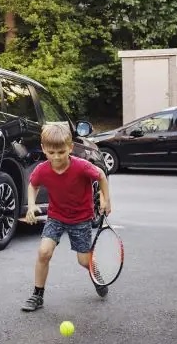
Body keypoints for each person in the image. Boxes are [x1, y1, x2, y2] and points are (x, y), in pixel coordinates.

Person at [20, 123, 112, 312]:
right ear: (44, 149)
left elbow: (101, 175)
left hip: (81, 218)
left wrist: (105, 199)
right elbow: (33, 185)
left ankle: (96, 276)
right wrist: (31, 205)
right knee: (44, 252)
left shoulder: (81, 167)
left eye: (61, 152)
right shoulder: (42, 169)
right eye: (51, 152)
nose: (56, 157)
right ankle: (37, 295)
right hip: (56, 217)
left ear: (70, 148)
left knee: (84, 261)